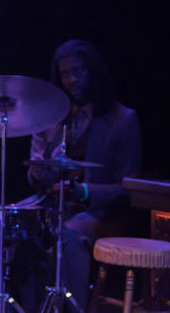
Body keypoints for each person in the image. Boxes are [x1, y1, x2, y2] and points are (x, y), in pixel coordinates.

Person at [27, 39, 142, 310]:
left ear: (93, 71)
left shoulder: (123, 119)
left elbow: (128, 188)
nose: (72, 80)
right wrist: (37, 172)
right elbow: (38, 181)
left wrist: (83, 192)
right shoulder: (50, 117)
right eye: (65, 74)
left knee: (68, 233)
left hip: (100, 215)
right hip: (52, 207)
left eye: (79, 71)